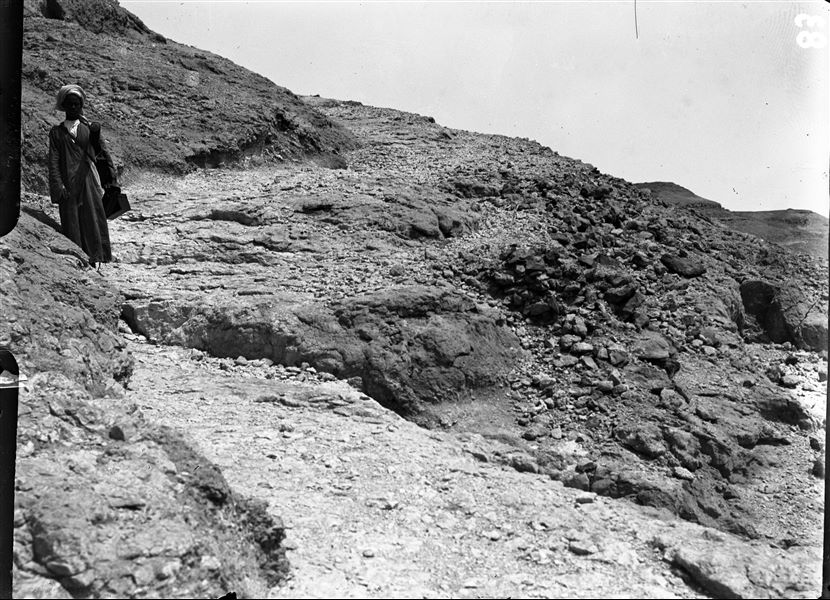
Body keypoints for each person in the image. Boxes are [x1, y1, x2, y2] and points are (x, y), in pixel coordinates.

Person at [48, 84, 118, 267]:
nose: (73, 108)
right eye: (69, 104)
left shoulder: (90, 129)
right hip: (68, 185)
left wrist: (110, 182)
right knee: (72, 222)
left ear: (81, 106)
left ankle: (95, 260)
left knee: (92, 219)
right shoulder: (56, 132)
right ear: (64, 105)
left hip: (88, 181)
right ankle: (78, 262)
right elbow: (53, 161)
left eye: (76, 104)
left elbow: (102, 155)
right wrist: (58, 185)